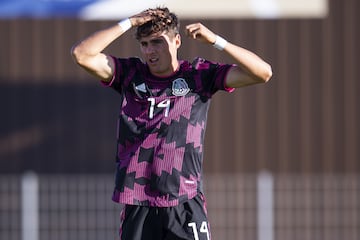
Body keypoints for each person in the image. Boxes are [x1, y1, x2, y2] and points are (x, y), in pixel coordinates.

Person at [71, 7, 272, 240]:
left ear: (177, 41)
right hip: (138, 202)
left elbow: (262, 72)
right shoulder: (130, 74)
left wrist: (216, 41)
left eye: (157, 42)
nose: (150, 51)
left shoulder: (198, 75)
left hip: (185, 200)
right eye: (144, 44)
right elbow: (81, 54)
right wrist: (130, 22)